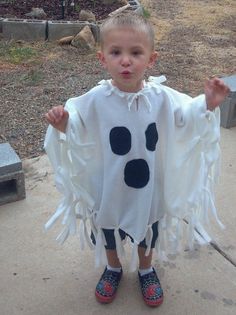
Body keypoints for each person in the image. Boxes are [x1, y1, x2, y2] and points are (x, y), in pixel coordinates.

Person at [44, 13, 229, 307]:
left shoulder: (162, 97)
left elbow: (184, 117)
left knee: (148, 228)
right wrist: (64, 123)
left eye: (135, 53)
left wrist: (206, 104)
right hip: (111, 183)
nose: (125, 61)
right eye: (116, 52)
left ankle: (146, 268)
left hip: (148, 186)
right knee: (108, 227)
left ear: (151, 59)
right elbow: (79, 126)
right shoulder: (96, 99)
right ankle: (113, 266)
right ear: (102, 58)